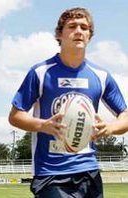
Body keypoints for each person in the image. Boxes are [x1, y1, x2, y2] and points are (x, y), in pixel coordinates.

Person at [8, 7, 128, 198]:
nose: (79, 31)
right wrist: (43, 125)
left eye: (84, 28)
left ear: (90, 36)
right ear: (59, 34)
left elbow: (125, 116)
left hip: (89, 170)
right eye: (72, 26)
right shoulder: (40, 73)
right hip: (50, 172)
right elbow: (15, 116)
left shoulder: (101, 76)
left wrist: (110, 128)